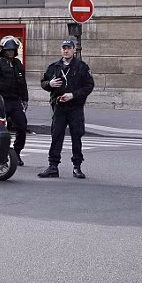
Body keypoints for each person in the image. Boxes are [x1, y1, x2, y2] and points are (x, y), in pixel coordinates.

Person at [38, 39, 94, 179]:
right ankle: (53, 167)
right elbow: (43, 83)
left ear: (74, 50)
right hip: (59, 107)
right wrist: (49, 83)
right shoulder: (54, 67)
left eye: (69, 48)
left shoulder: (81, 67)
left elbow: (89, 86)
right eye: (64, 48)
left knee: (76, 137)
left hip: (75, 108)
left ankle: (77, 167)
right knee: (56, 137)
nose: (66, 50)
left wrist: (73, 95)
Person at [0, 35, 29, 166]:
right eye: (8, 50)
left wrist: (25, 99)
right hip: (1, 101)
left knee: (22, 126)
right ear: (3, 51)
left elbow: (23, 83)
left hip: (15, 101)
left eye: (12, 50)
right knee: (2, 130)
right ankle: (2, 154)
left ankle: (16, 153)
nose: (10, 52)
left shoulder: (18, 64)